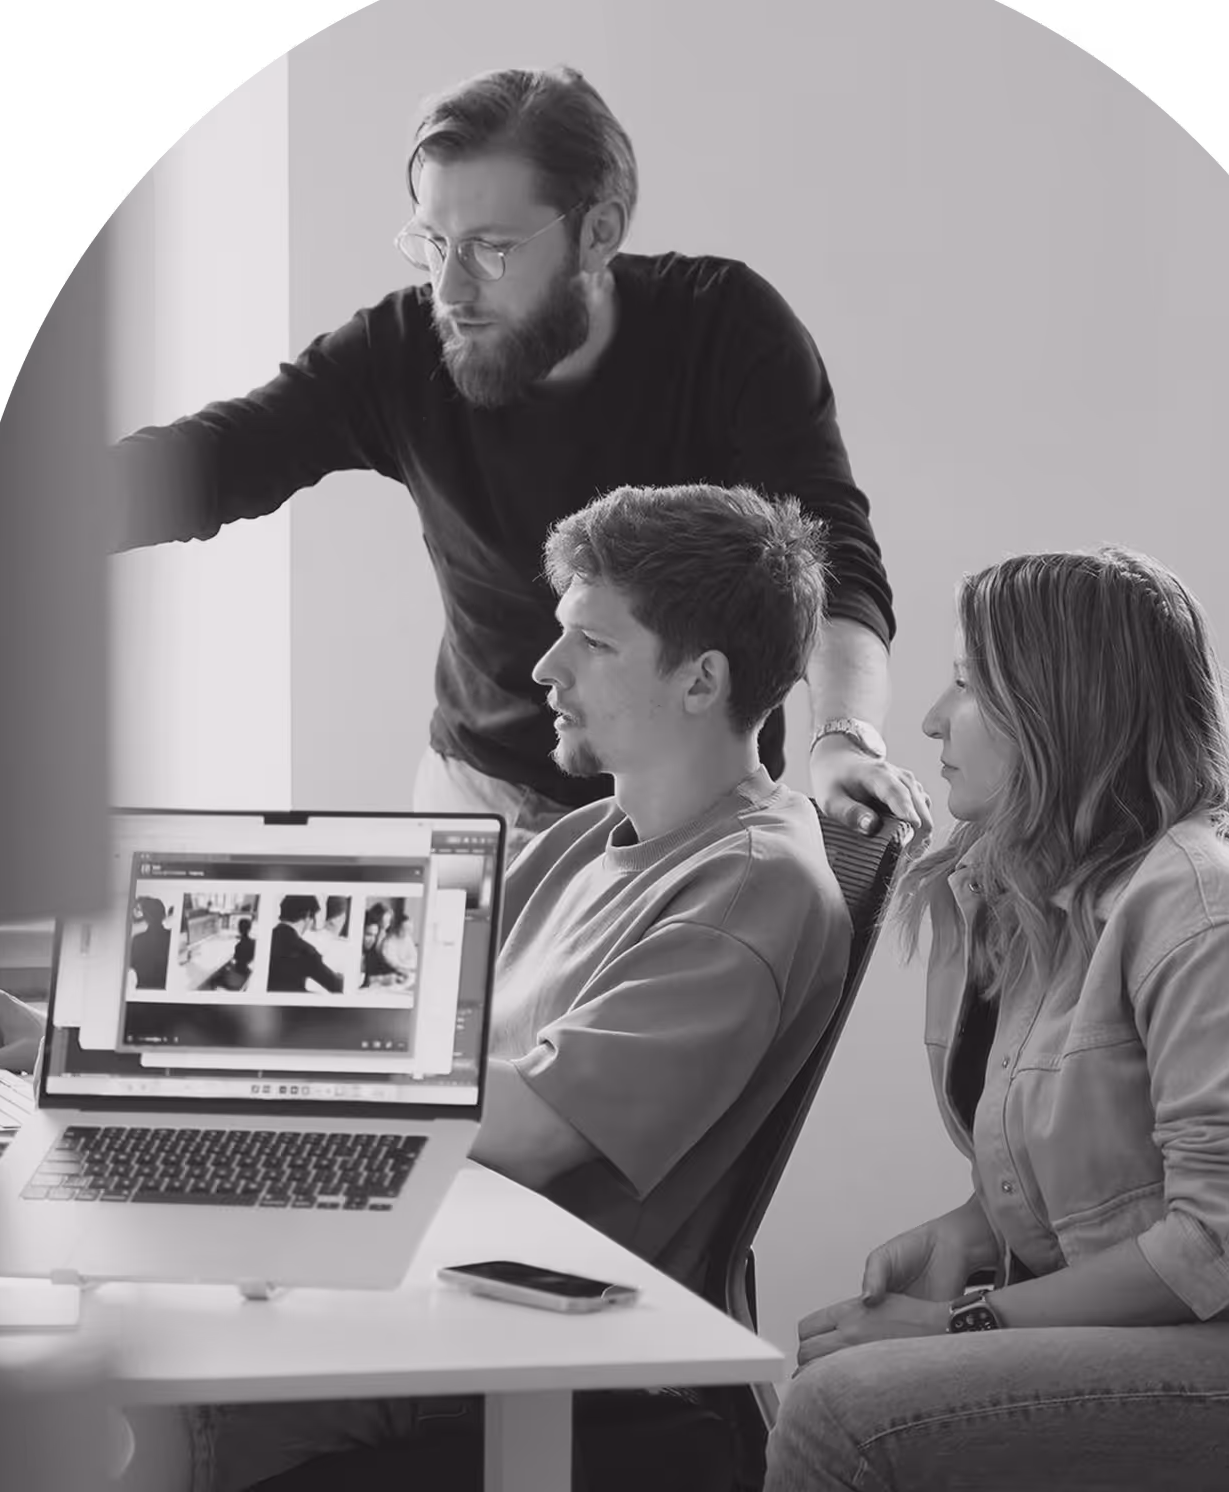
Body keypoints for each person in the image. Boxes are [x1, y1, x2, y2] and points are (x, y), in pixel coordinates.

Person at [148, 483, 863, 1492]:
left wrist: (251, 1067)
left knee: (136, 1384)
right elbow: (402, 1023)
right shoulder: (582, 838)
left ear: (702, 680)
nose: (544, 669)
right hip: (433, 1275)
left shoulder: (751, 886)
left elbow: (530, 1128)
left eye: (593, 644)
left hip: (524, 1349)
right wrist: (114, 1038)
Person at [110, 65, 932, 863]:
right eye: (433, 244)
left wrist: (842, 739)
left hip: (687, 814)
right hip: (477, 802)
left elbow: (832, 562)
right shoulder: (402, 350)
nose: (450, 290)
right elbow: (218, 458)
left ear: (597, 232)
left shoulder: (727, 333)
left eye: (490, 249)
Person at [764, 547, 1229, 1491]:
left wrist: (965, 1323)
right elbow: (1115, 1157)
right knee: (847, 1383)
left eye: (966, 687)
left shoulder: (1216, 918)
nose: (934, 719)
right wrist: (969, 1232)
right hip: (1208, 1335)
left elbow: (1207, 1252)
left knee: (845, 1417)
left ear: (1059, 712)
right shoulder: (1036, 900)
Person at [266, 897, 344, 995]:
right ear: (307, 916)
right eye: (313, 919)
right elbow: (336, 986)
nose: (312, 924)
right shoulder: (304, 951)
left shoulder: (263, 941)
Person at [127, 897, 170, 990]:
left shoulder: (138, 940)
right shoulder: (170, 936)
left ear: (146, 917)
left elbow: (131, 965)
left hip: (144, 990)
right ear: (164, 915)